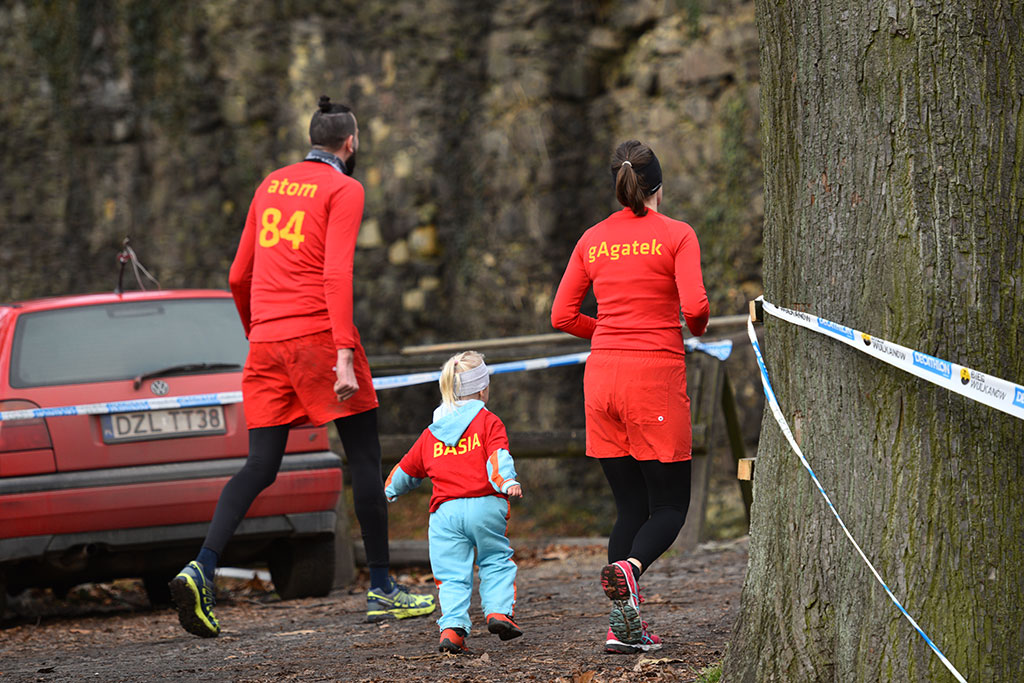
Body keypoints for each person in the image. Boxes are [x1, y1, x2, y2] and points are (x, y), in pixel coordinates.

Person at [169, 96, 435, 638]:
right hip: (317, 336)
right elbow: (337, 275)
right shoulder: (345, 188)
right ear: (351, 143)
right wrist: (341, 354)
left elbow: (238, 275)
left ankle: (203, 565)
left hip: (265, 340)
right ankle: (382, 588)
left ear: (312, 139)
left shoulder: (270, 184)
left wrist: (256, 332)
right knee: (363, 456)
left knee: (260, 466)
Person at [550, 140, 710, 654]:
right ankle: (630, 568)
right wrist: (693, 326)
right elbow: (697, 308)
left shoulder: (592, 239)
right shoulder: (677, 235)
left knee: (629, 507)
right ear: (659, 186)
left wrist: (610, 330)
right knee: (670, 504)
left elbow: (562, 315)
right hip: (653, 378)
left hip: (601, 380)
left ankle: (624, 630)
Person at [383, 351, 523, 654]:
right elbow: (498, 458)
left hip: (445, 513)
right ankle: (498, 612)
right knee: (494, 560)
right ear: (483, 389)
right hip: (485, 505)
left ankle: (453, 630)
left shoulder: (431, 432)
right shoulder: (488, 421)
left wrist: (390, 489)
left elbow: (407, 468)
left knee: (450, 574)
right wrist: (507, 482)